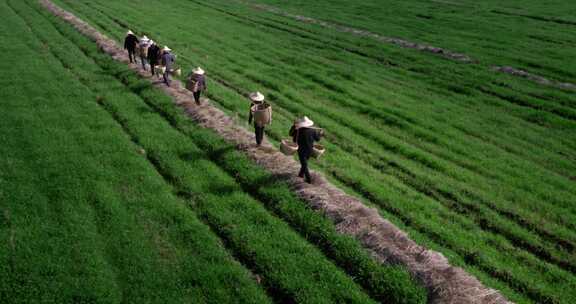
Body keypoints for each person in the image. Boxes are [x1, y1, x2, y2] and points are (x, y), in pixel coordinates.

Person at [289, 116, 323, 184]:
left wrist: (294, 126)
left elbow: (290, 134)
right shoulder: (313, 130)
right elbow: (317, 139)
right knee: (304, 163)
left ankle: (309, 179)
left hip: (301, 149)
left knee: (304, 164)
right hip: (310, 149)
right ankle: (301, 175)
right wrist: (320, 134)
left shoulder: (298, 130)